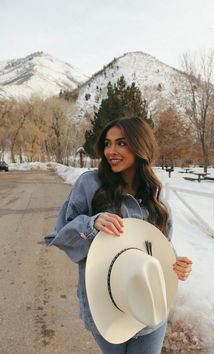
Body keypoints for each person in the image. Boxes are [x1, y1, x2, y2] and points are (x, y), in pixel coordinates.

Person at [45, 116, 192, 354]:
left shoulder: (155, 199)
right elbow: (60, 233)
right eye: (107, 143)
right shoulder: (89, 184)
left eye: (122, 143)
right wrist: (91, 223)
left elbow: (161, 249)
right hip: (106, 307)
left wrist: (177, 265)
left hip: (149, 308)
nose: (111, 151)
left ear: (140, 146)